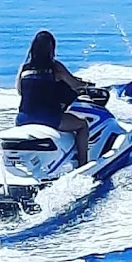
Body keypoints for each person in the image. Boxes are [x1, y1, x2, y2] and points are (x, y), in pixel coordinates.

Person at [16, 30, 91, 168]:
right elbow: (75, 84)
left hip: (23, 118)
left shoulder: (24, 68)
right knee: (82, 125)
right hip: (47, 117)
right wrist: (87, 85)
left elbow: (20, 90)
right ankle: (83, 164)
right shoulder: (55, 67)